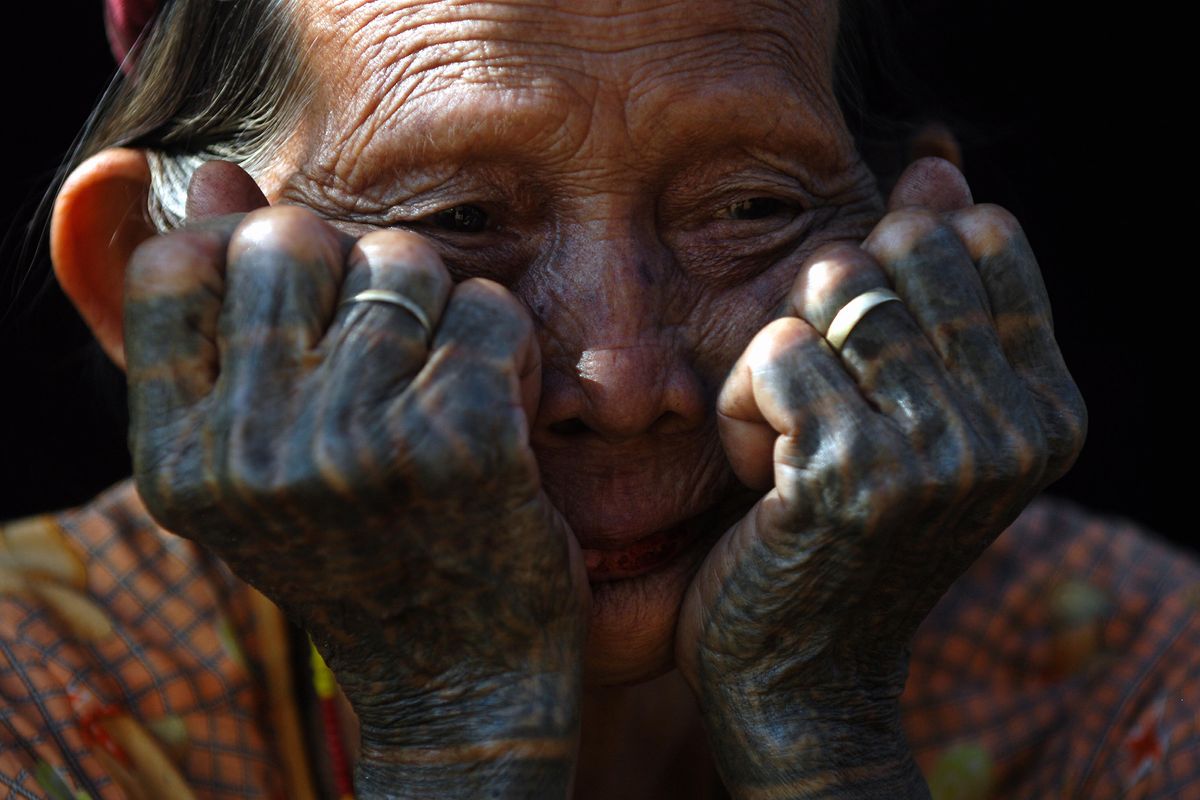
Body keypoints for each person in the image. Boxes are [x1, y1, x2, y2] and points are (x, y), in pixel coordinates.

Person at [0, 1, 1194, 798]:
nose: (623, 384)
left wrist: (822, 728)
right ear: (151, 292)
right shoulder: (35, 691)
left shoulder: (1131, 670)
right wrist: (459, 733)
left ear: (928, 251)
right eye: (454, 222)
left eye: (750, 208)